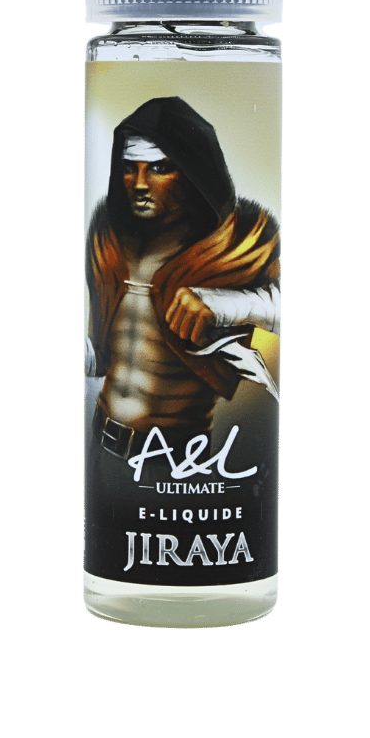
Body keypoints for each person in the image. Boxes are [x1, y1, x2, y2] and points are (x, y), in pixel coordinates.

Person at [85, 96, 280, 464]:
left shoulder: (236, 243)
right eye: (128, 168)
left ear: (192, 171)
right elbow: (101, 351)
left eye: (159, 168)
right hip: (100, 444)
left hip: (177, 459)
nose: (139, 184)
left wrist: (222, 306)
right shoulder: (108, 240)